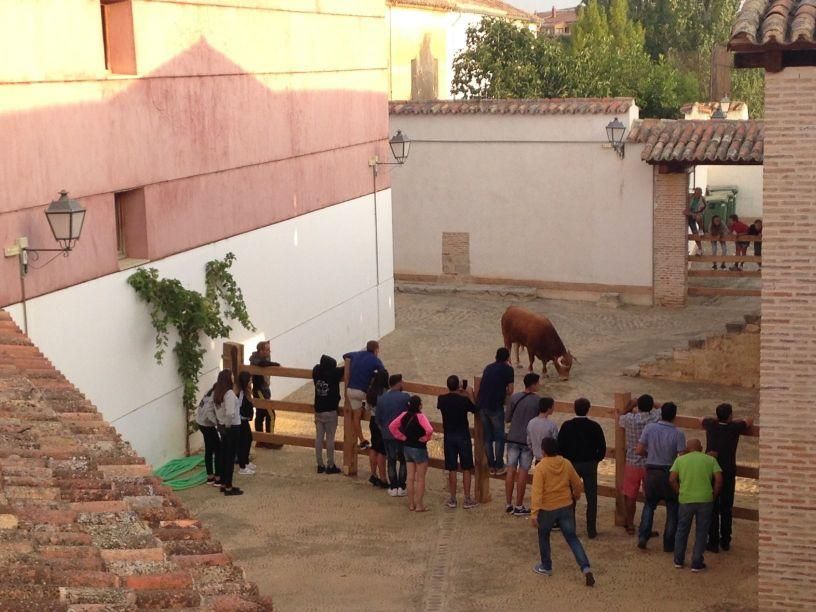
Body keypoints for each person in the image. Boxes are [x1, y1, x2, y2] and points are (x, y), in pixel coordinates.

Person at [530, 437, 595, 587]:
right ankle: (585, 567)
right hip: (565, 505)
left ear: (543, 450)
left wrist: (534, 513)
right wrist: (576, 496)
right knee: (572, 538)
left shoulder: (541, 467)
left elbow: (537, 492)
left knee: (544, 535)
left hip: (548, 508)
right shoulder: (566, 463)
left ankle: (546, 566)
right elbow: (577, 483)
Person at [701, 403, 753, 552]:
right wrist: (736, 421)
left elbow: (701, 419)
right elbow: (749, 420)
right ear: (730, 415)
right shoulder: (735, 427)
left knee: (712, 505)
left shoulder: (711, 424)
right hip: (728, 470)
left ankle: (713, 541)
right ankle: (725, 541)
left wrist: (714, 419)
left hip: (711, 470)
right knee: (726, 507)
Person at [636, 402, 686, 551]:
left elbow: (639, 450)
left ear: (661, 413)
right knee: (672, 508)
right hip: (669, 472)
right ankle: (668, 544)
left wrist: (650, 455)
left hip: (652, 471)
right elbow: (681, 456)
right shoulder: (678, 433)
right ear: (674, 416)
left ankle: (643, 536)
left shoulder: (650, 428)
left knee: (649, 505)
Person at [670, 439, 723, 572]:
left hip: (686, 498)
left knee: (682, 529)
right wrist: (713, 495)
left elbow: (672, 479)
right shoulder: (710, 460)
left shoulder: (680, 460)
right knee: (701, 531)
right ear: (701, 448)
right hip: (705, 498)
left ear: (687, 449)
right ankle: (696, 562)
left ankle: (678, 559)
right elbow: (719, 481)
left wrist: (679, 491)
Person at [557, 398, 606, 538]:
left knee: (570, 496)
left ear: (574, 408)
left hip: (572, 464)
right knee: (592, 497)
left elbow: (560, 446)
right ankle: (591, 530)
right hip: (590, 463)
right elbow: (601, 448)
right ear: (588, 409)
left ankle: (570, 528)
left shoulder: (567, 425)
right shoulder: (595, 426)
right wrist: (596, 460)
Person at [617, 394, 661, 535]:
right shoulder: (654, 417)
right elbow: (664, 407)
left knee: (630, 496)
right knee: (650, 498)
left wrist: (631, 405)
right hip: (650, 463)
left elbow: (619, 416)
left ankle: (630, 524)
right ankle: (646, 527)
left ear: (638, 406)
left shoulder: (630, 419)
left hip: (632, 462)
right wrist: (654, 403)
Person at [436, 375, 478, 509]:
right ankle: (467, 499)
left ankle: (453, 498)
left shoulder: (441, 400)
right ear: (459, 386)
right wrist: (469, 393)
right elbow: (475, 409)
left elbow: (443, 401)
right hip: (463, 435)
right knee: (466, 468)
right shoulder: (463, 400)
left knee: (452, 468)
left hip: (449, 436)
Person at [504, 373, 542, 516]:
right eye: (538, 383)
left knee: (510, 470)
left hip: (513, 437)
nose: (539, 385)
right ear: (533, 385)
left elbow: (507, 418)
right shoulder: (538, 401)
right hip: (526, 441)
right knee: (523, 473)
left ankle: (508, 503)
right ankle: (519, 505)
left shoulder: (514, 398)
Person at [389, 395, 435, 512]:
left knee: (410, 478)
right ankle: (419, 505)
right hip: (419, 448)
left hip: (407, 447)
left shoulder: (404, 415)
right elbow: (429, 430)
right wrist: (425, 438)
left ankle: (411, 504)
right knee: (420, 479)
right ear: (419, 405)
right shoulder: (420, 416)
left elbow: (392, 426)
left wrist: (402, 437)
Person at [477, 347, 515, 476]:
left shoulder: (488, 367)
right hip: (495, 406)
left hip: (482, 405)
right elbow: (510, 390)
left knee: (487, 437)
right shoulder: (508, 369)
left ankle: (490, 465)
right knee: (499, 437)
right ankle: (499, 465)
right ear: (507, 358)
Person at [343, 341, 385, 450]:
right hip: (363, 392)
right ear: (376, 350)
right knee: (374, 409)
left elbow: (345, 355)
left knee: (356, 417)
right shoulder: (376, 360)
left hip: (350, 390)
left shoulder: (356, 354)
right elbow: (383, 374)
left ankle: (362, 440)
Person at [376, 374, 410, 496]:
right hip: (401, 433)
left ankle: (393, 486)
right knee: (403, 460)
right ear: (399, 383)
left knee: (390, 460)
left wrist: (384, 429)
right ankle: (401, 486)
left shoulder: (381, 398)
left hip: (387, 433)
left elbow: (378, 419)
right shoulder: (405, 397)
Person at [312, 354, 344, 475]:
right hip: (330, 411)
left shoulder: (316, 371)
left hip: (318, 410)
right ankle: (330, 465)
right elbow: (344, 369)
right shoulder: (334, 374)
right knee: (330, 439)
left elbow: (316, 367)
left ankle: (320, 465)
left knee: (319, 437)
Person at [213, 369, 243, 496]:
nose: (232, 378)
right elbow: (230, 413)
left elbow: (218, 412)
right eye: (231, 376)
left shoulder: (218, 393)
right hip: (231, 428)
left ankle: (224, 484)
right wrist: (228, 426)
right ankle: (229, 487)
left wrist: (221, 425)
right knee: (230, 457)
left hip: (223, 427)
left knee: (225, 456)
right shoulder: (229, 394)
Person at [249, 341, 281, 449]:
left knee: (260, 415)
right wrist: (275, 364)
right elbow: (261, 364)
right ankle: (269, 440)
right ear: (261, 350)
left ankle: (261, 440)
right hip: (260, 391)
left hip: (264, 390)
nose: (269, 351)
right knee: (270, 414)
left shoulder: (265, 357)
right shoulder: (256, 359)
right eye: (267, 349)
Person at [366, 369, 390, 487]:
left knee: (374, 447)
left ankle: (373, 474)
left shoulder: (371, 391)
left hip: (372, 420)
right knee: (382, 451)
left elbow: (367, 408)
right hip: (382, 422)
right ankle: (383, 478)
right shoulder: (386, 393)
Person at [195, 383, 220, 487]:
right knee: (218, 449)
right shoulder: (214, 395)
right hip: (206, 424)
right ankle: (218, 478)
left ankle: (210, 476)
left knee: (209, 449)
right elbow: (209, 412)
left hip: (200, 422)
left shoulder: (209, 392)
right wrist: (217, 423)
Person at [527, 397, 559, 464]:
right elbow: (555, 442)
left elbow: (529, 441)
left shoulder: (531, 422)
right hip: (549, 460)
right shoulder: (552, 425)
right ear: (548, 408)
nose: (553, 408)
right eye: (553, 406)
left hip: (537, 459)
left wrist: (535, 451)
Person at [236, 372, 257, 476]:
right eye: (250, 380)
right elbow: (238, 408)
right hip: (240, 421)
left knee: (248, 439)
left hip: (244, 420)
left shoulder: (247, 392)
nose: (251, 382)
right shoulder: (240, 393)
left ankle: (246, 461)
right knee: (242, 443)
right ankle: (242, 467)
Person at [686, 187, 706, 255]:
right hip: (689, 215)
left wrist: (698, 214)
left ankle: (700, 248)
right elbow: (685, 209)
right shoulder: (690, 197)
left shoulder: (702, 199)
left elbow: (704, 209)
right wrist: (691, 214)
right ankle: (686, 249)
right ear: (695, 193)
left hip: (696, 214)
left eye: (700, 193)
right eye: (697, 193)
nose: (698, 195)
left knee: (695, 232)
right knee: (685, 232)